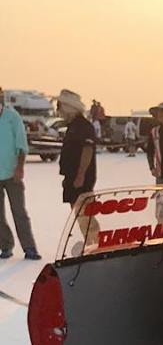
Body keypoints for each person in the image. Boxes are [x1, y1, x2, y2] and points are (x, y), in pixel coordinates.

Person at [0, 87, 41, 260]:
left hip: (12, 174)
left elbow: (21, 145)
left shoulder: (12, 117)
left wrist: (20, 167)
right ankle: (5, 246)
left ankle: (29, 248)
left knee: (19, 212)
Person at [57, 89, 98, 248]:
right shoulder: (72, 126)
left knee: (86, 215)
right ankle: (91, 244)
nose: (58, 111)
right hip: (71, 178)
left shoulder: (83, 126)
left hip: (81, 179)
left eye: (60, 107)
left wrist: (80, 174)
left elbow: (87, 150)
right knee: (80, 215)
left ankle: (94, 245)